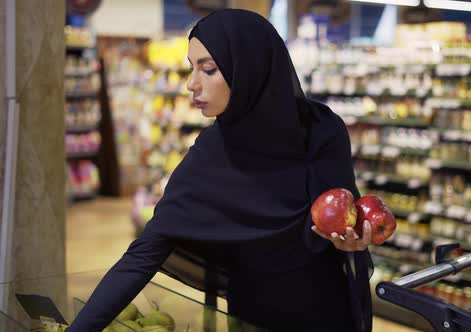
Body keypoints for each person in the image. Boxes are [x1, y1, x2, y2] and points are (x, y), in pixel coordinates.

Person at [67, 9, 373, 332]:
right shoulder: (209, 156)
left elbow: (347, 218)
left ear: (248, 69)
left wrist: (351, 240)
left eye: (208, 69)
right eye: (191, 68)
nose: (190, 84)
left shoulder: (323, 131)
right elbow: (142, 257)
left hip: (327, 314)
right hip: (251, 317)